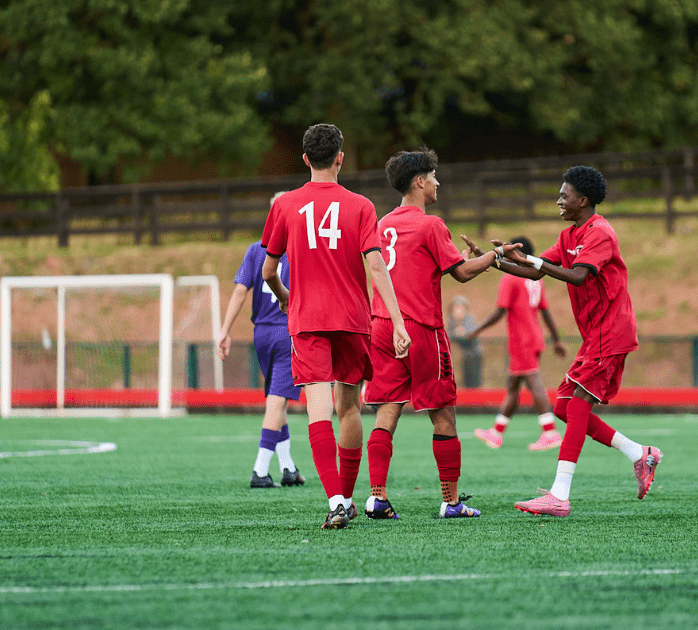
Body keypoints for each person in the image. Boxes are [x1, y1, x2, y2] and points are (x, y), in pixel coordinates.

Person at [481, 166, 662, 518]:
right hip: (595, 335)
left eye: (564, 196)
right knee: (564, 408)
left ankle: (559, 495)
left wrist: (532, 260)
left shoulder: (601, 233)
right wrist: (497, 260)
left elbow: (578, 276)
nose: (559, 201)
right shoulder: (569, 236)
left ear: (583, 200)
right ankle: (640, 453)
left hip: (612, 332)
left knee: (577, 405)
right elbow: (535, 271)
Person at [260, 123, 411, 530]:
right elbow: (375, 264)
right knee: (349, 407)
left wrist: (284, 295)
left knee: (318, 409)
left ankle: (336, 502)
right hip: (352, 319)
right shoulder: (361, 205)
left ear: (305, 159)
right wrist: (397, 321)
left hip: (308, 319)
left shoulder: (285, 205)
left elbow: (269, 269)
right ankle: (347, 495)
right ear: (340, 158)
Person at [363, 147, 514, 520]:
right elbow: (460, 272)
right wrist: (496, 256)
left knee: (387, 410)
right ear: (419, 181)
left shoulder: (382, 223)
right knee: (443, 413)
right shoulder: (430, 224)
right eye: (433, 177)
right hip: (421, 328)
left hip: (382, 325)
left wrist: (471, 260)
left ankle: (377, 498)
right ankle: (451, 502)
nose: (437, 183)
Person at [216, 231, 306, 489]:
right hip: (287, 332)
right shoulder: (300, 249)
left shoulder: (256, 248)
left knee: (278, 399)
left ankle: (288, 467)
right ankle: (260, 469)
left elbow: (239, 292)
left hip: (262, 334)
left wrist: (225, 330)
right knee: (277, 401)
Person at [470, 237, 567, 451]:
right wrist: (556, 340)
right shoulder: (536, 278)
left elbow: (499, 311)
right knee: (513, 388)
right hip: (534, 338)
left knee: (534, 382)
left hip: (522, 340)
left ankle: (550, 432)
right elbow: (545, 311)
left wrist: (476, 330)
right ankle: (496, 433)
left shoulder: (511, 278)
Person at [445, 296, 483, 388]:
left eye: (460, 308)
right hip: (463, 356)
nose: (458, 310)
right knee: (465, 382)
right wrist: (457, 333)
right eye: (456, 308)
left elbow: (471, 334)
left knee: (474, 383)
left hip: (474, 355)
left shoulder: (469, 319)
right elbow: (449, 335)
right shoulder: (451, 320)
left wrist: (463, 333)